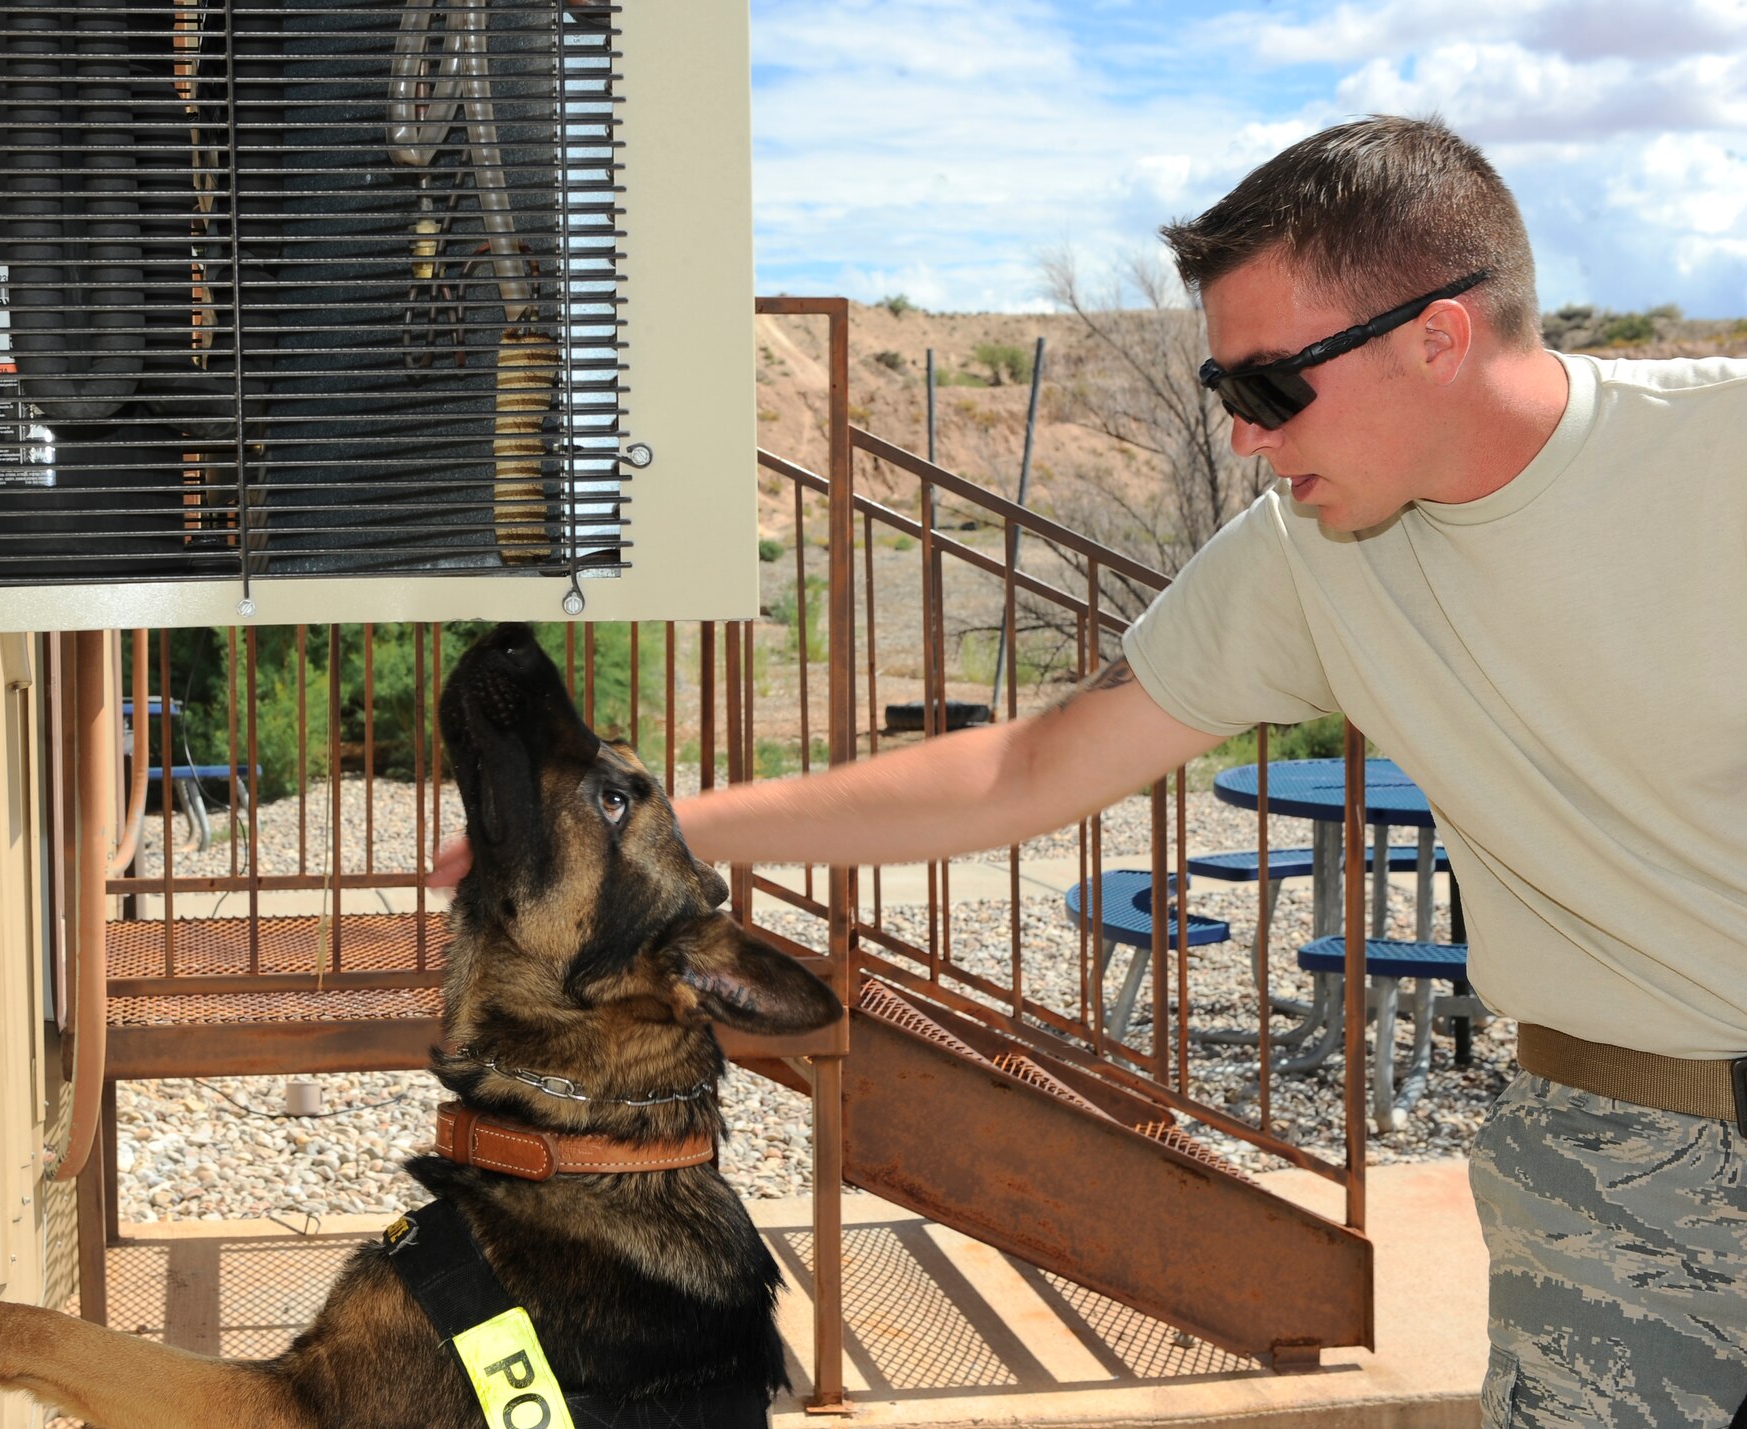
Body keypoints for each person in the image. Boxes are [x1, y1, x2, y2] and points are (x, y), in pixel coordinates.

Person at [430, 116, 1747, 1426]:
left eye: (1270, 389)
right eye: (1224, 397)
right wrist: (669, 827)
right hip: (1613, 1164)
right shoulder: (1307, 555)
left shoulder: (1716, 460)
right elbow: (1027, 765)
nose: (1243, 440)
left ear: (1437, 336)